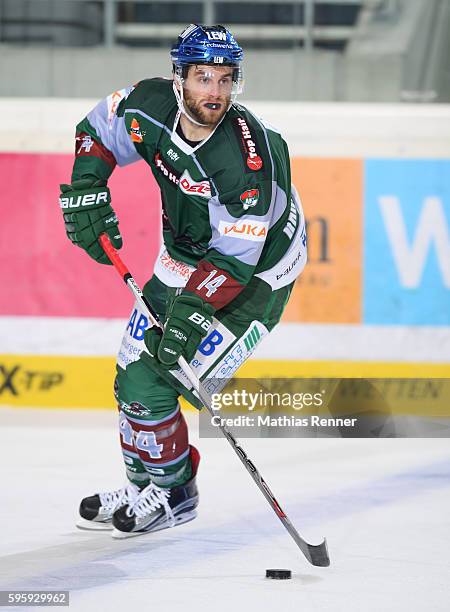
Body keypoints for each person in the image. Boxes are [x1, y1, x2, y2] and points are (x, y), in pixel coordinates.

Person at [59, 24, 307, 538]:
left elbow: (237, 260)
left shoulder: (245, 157)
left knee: (160, 375)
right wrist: (87, 185)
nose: (213, 92)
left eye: (224, 80)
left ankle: (177, 493)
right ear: (179, 78)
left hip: (260, 273)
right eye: (202, 77)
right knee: (132, 371)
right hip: (185, 249)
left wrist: (191, 313)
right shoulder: (148, 104)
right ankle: (143, 484)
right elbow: (96, 129)